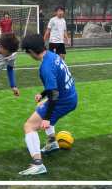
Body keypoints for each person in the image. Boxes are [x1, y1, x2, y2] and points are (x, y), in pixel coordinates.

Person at [19, 33, 78, 176]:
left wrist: (46, 118)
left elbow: (54, 95)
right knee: (41, 107)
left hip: (62, 100)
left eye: (27, 52)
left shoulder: (45, 67)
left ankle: (38, 164)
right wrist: (43, 94)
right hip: (70, 96)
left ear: (31, 51)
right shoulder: (53, 55)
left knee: (29, 126)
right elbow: (55, 84)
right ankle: (52, 142)